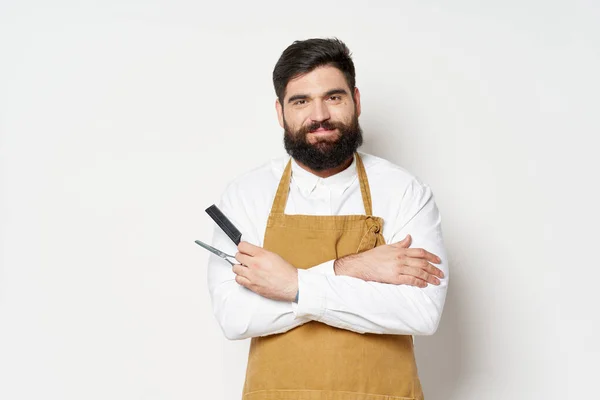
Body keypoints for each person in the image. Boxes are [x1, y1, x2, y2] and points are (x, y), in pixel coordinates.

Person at [207, 38, 449, 400]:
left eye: (333, 97)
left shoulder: (404, 191)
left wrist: (291, 284)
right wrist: (351, 268)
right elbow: (235, 316)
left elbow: (421, 312)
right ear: (280, 112)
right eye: (301, 101)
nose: (319, 115)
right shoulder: (245, 195)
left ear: (356, 101)